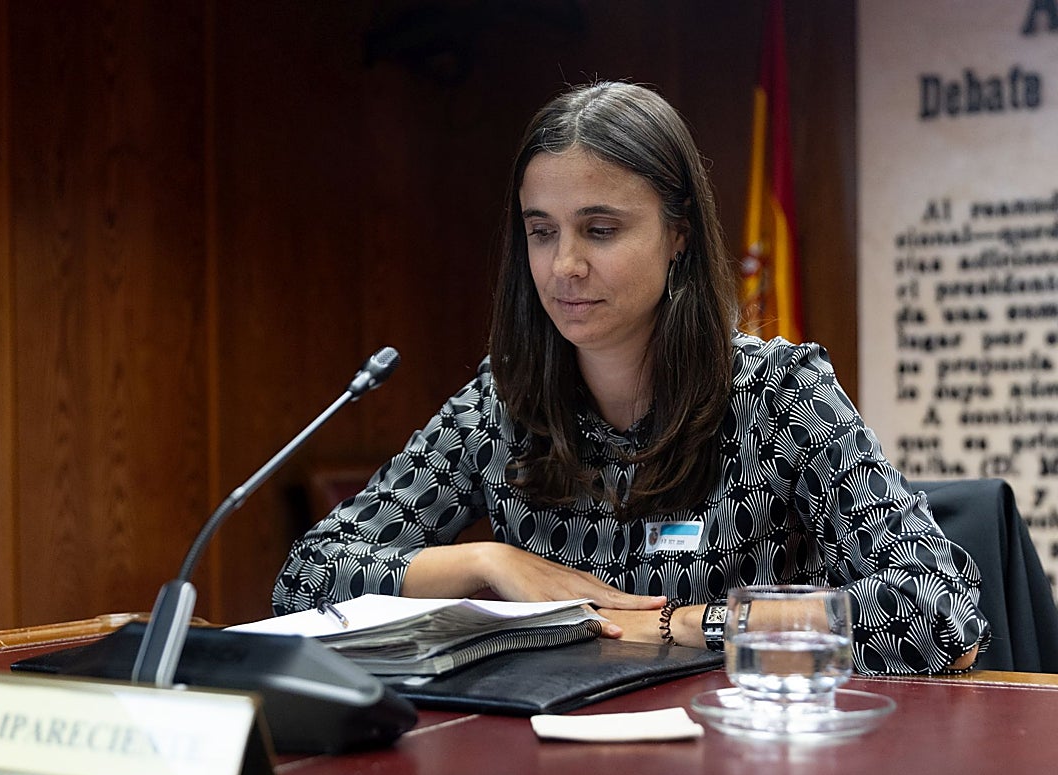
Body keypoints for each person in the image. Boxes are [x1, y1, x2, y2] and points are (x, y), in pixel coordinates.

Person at [273, 81, 988, 675]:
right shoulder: (501, 406)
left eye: (601, 230)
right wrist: (487, 563)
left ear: (678, 235)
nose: (564, 266)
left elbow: (938, 611)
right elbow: (308, 578)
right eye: (542, 231)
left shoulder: (779, 394)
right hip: (554, 765)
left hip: (741, 764)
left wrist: (685, 626)